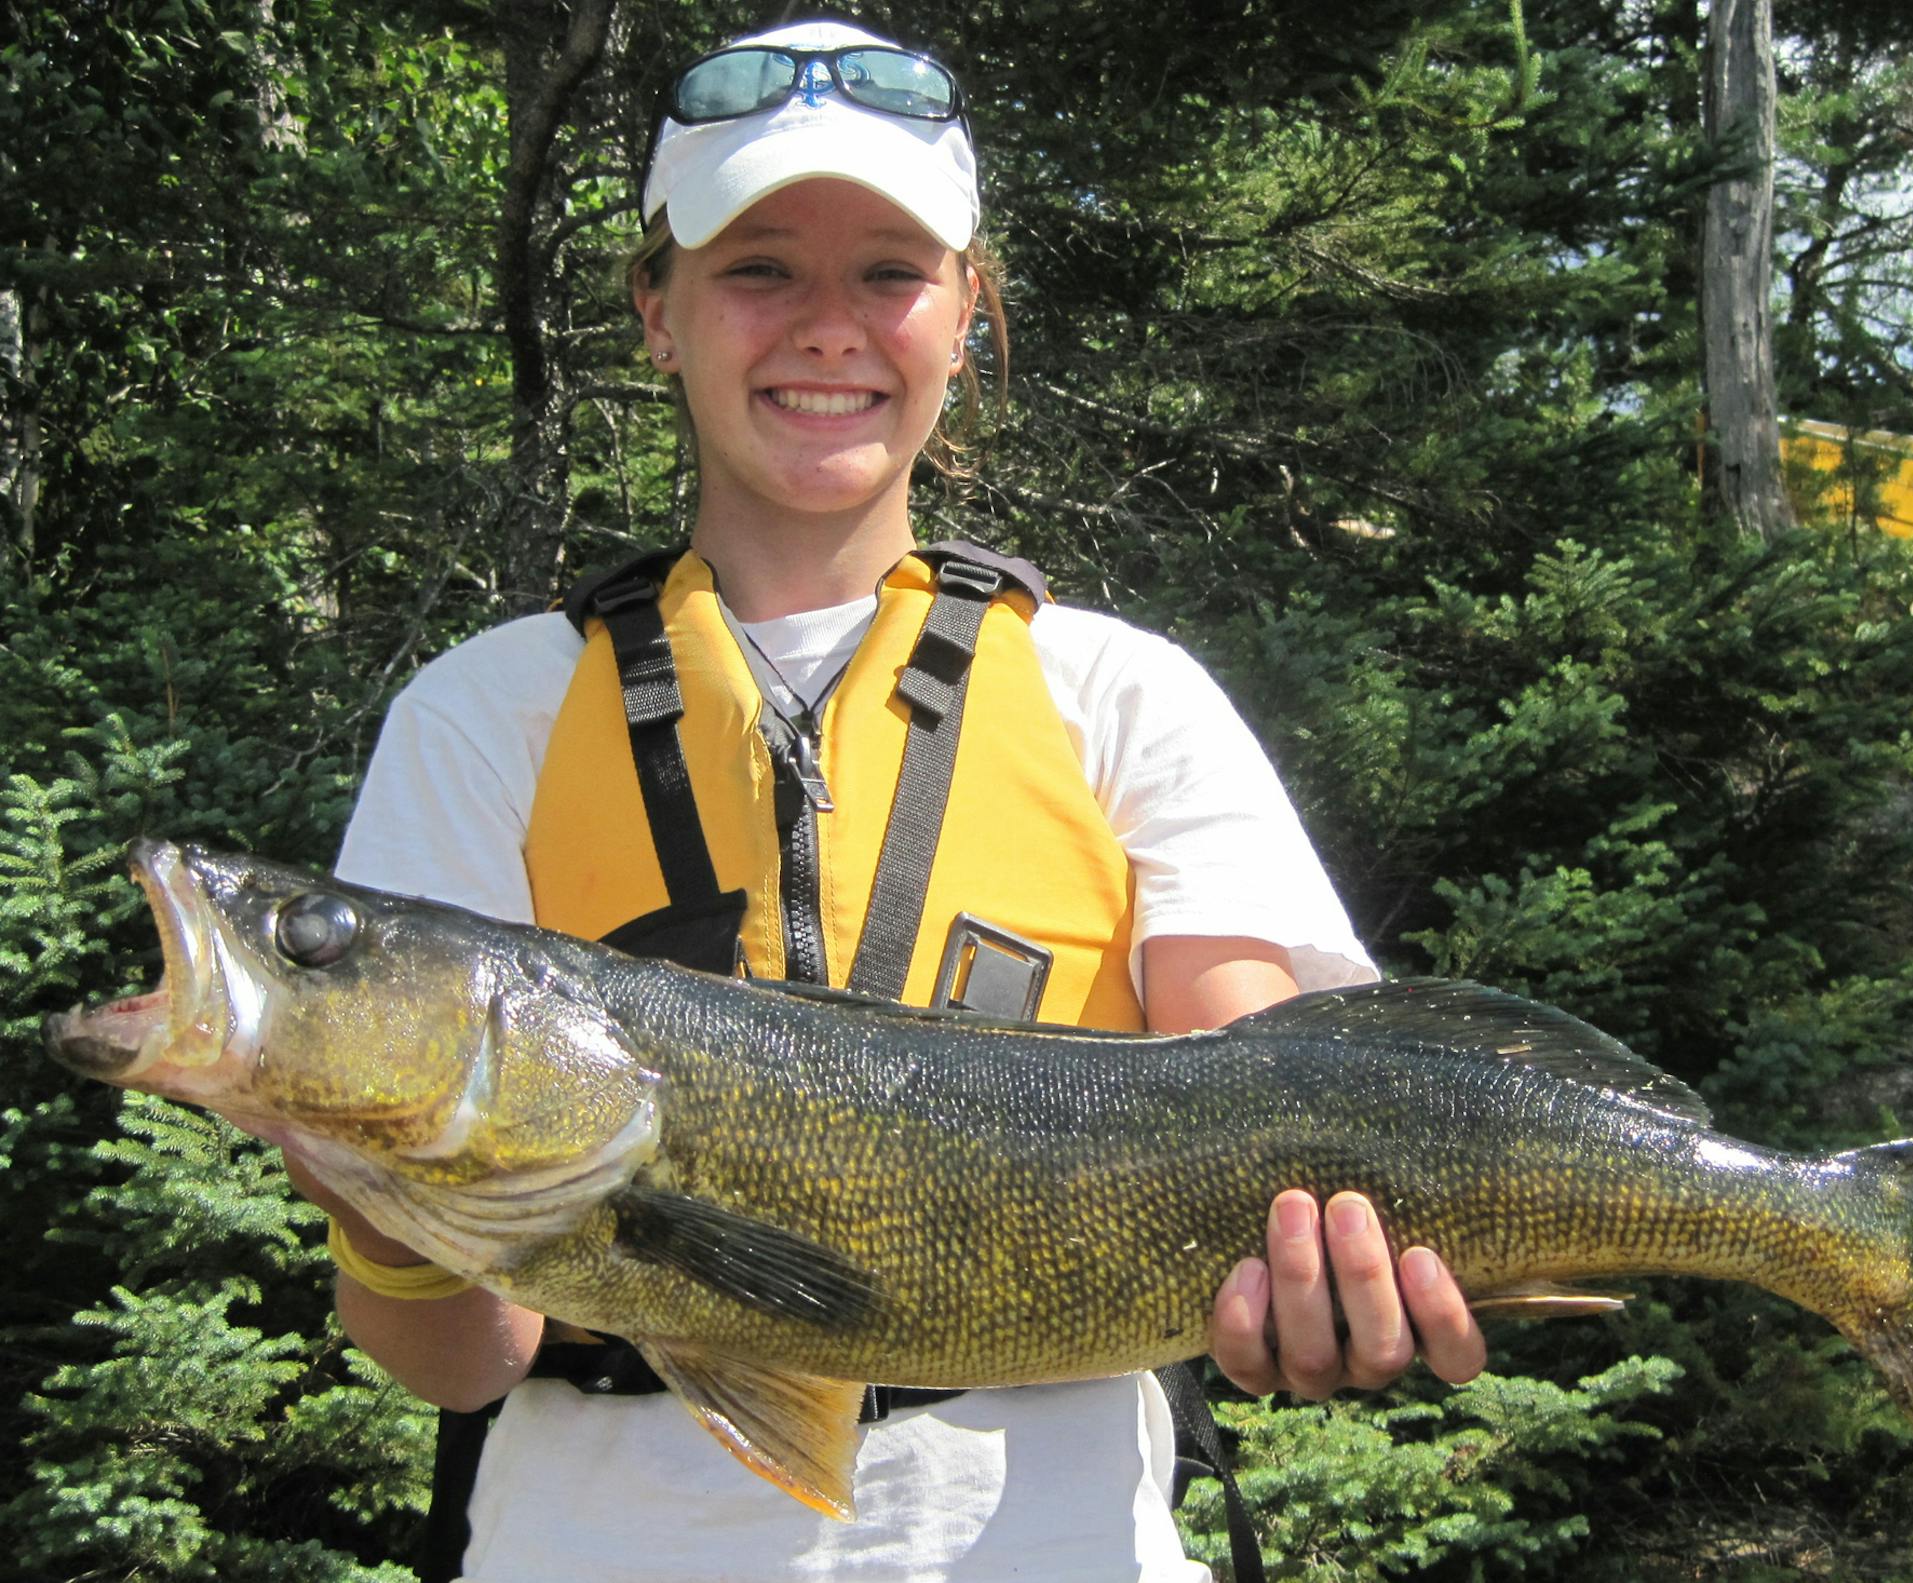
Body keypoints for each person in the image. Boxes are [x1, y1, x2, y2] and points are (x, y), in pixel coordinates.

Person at [301, 18, 1487, 1582]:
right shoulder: (485, 714)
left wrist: (1318, 1285)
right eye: (757, 268)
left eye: (890, 273)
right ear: (657, 312)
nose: (826, 329)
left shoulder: (1124, 696)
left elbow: (1261, 1120)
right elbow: (458, 1358)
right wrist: (380, 1186)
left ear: (967, 313)